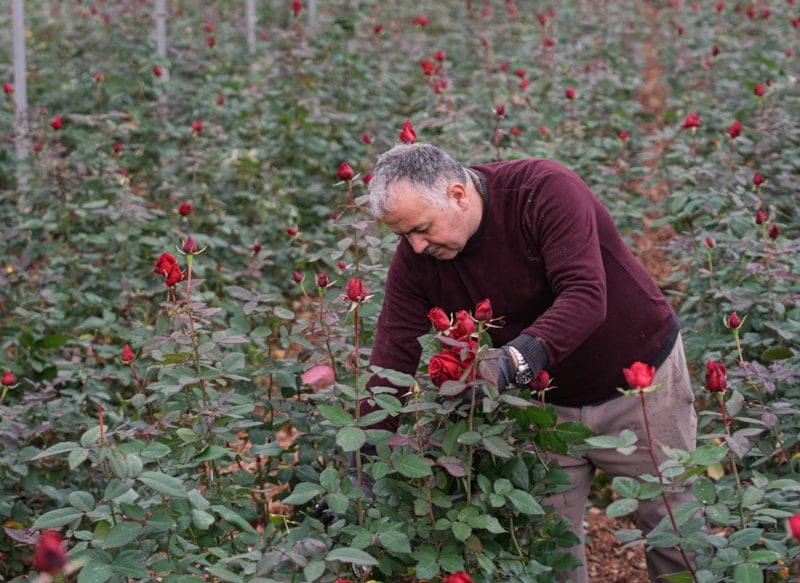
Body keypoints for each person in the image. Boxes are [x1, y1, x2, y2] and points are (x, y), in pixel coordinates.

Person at [358, 142, 697, 582]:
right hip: (543, 408)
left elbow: (585, 296)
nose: (416, 246)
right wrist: (363, 460)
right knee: (548, 547)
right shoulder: (416, 262)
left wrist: (508, 363)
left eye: (421, 229)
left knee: (673, 529)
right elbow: (392, 353)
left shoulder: (543, 191)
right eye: (403, 235)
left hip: (638, 383)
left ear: (458, 195)